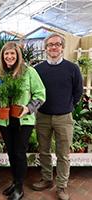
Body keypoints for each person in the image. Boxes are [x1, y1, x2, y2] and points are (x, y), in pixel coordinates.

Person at [32, 33, 83, 200]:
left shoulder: (72, 68)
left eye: (57, 44)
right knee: (44, 151)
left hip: (64, 118)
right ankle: (47, 179)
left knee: (63, 154)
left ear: (62, 47)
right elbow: (34, 91)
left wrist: (68, 105)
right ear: (45, 48)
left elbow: (78, 92)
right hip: (43, 116)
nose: (53, 47)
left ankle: (61, 186)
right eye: (50, 45)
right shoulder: (38, 69)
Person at [0, 42, 46, 200]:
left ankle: (19, 187)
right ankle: (14, 181)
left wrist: (28, 108)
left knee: (19, 153)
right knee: (11, 152)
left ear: (18, 55)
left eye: (12, 54)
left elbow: (40, 94)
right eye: (6, 54)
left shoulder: (29, 72)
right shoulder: (0, 74)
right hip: (5, 120)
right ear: (2, 57)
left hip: (23, 120)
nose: (9, 57)